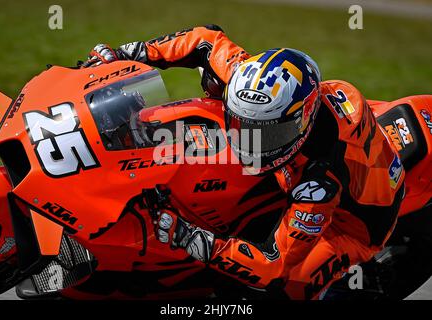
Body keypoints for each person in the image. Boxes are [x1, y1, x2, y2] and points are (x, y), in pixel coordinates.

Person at [88, 25, 405, 299]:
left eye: (268, 133)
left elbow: (274, 266)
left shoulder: (317, 183)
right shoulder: (251, 80)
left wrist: (190, 237)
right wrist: (131, 54)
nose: (249, 141)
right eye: (241, 123)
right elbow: (205, 39)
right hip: (327, 155)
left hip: (352, 226)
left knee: (284, 291)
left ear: (303, 118)